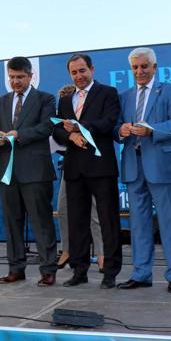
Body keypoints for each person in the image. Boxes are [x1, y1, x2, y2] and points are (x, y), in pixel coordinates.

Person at [116, 47, 171, 293]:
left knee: (170, 222)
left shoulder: (170, 90)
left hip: (161, 165)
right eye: (135, 67)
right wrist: (120, 130)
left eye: (144, 66)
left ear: (154, 67)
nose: (140, 71)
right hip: (133, 166)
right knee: (138, 224)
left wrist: (152, 130)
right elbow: (116, 127)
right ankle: (141, 274)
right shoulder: (125, 96)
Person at [52, 53, 122, 289]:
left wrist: (80, 128)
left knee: (107, 221)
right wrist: (70, 136)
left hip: (101, 167)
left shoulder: (108, 93)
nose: (79, 76)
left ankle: (110, 272)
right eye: (74, 72)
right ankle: (79, 271)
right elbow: (57, 130)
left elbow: (109, 122)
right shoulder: (65, 101)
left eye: (82, 70)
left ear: (91, 69)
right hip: (74, 168)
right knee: (76, 222)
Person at [0, 56, 58, 286]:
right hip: (7, 171)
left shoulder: (45, 99)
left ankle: (48, 270)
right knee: (12, 223)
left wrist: (19, 135)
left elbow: (47, 127)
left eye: (20, 77)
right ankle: (16, 268)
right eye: (11, 77)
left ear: (31, 76)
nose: (15, 81)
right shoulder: (1, 101)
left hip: (35, 171)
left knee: (41, 222)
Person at [53, 84, 104, 271]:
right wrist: (68, 136)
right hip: (71, 164)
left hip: (94, 163)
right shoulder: (63, 110)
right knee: (63, 208)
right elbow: (58, 133)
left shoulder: (96, 104)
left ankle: (101, 254)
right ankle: (67, 249)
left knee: (95, 213)